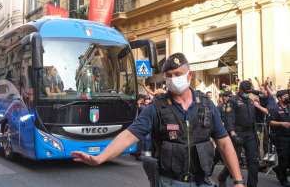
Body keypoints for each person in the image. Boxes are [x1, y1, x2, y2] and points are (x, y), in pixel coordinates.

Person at [71, 53, 245, 187]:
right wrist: (101, 158)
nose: (174, 78)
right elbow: (129, 135)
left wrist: (238, 181)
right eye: (169, 75)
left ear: (189, 75)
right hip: (169, 182)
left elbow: (224, 143)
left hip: (202, 182)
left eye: (178, 73)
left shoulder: (206, 105)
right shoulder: (156, 107)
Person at [224, 80, 266, 187]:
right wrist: (233, 134)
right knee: (234, 160)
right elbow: (229, 118)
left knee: (253, 161)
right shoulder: (232, 101)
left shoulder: (251, 100)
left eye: (249, 91)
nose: (248, 93)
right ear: (240, 90)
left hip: (250, 133)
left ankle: (252, 185)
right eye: (246, 91)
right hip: (238, 133)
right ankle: (222, 176)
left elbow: (261, 104)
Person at [268, 90, 290, 187]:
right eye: (285, 96)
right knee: (283, 159)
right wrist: (281, 123)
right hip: (281, 138)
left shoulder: (289, 107)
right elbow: (270, 122)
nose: (287, 97)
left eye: (287, 95)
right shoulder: (274, 108)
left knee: (288, 159)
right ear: (279, 98)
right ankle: (283, 179)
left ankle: (278, 169)